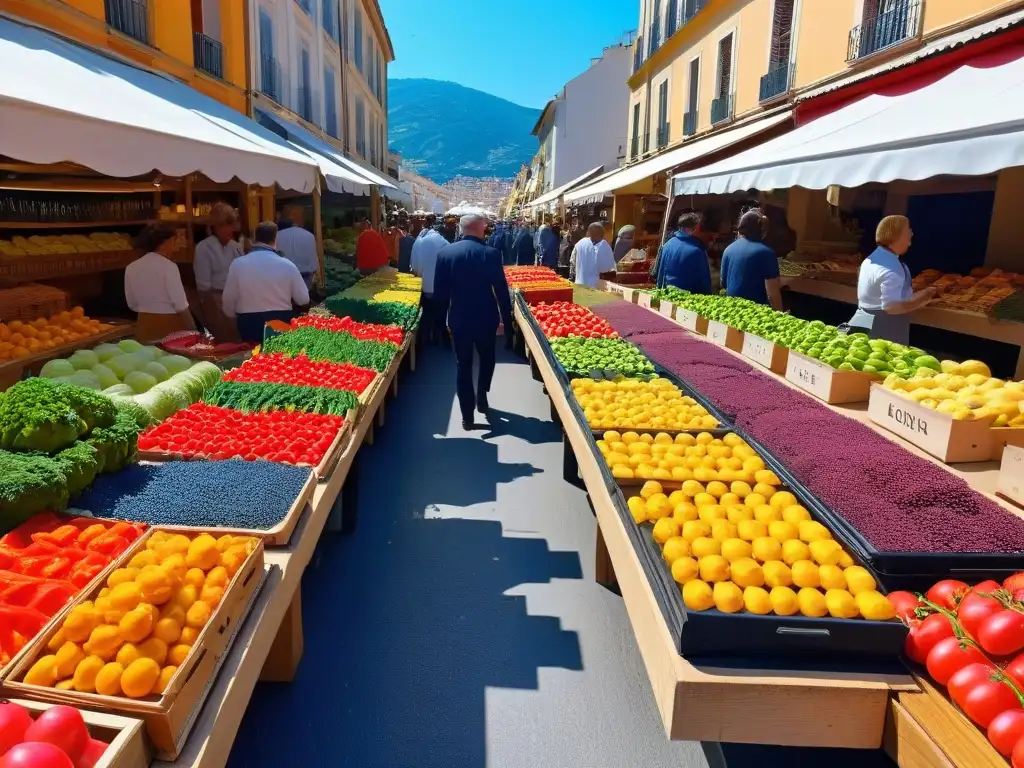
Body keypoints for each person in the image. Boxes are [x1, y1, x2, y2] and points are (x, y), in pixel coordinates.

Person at [433, 213, 513, 430]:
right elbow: (502, 293)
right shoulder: (492, 254)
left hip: (459, 319)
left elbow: (440, 295)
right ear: (480, 228)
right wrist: (509, 325)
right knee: (488, 360)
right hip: (486, 319)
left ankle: (467, 416)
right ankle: (482, 395)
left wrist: (439, 326)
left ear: (462, 229)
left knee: (463, 366)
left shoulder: (445, 254)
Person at [846, 215, 935, 344]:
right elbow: (892, 307)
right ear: (896, 235)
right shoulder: (891, 267)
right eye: (908, 230)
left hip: (863, 320)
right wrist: (924, 296)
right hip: (884, 329)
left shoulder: (870, 259)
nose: (911, 233)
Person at [222, 221, 310, 343]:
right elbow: (303, 299)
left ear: (254, 239)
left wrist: (233, 316)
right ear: (275, 239)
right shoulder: (288, 265)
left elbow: (228, 302)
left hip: (248, 324)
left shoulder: (237, 264)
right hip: (280, 321)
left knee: (252, 357)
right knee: (278, 357)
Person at [124, 223, 196, 343]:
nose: (174, 247)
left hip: (144, 327)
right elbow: (180, 305)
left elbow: (132, 304)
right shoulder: (169, 267)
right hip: (169, 329)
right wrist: (193, 330)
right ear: (165, 242)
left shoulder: (131, 267)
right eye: (173, 242)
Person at [193, 203, 243, 341]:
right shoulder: (203, 248)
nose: (229, 230)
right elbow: (203, 286)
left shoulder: (236, 246)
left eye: (230, 225)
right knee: (225, 342)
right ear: (214, 227)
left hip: (238, 300)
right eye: (224, 225)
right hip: (215, 301)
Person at [720, 209, 784, 310]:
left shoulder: (729, 249)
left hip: (731, 309)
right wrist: (780, 316)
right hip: (755, 311)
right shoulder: (766, 253)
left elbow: (723, 283)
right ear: (762, 229)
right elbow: (773, 294)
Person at [410, 224, 448, 347]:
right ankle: (439, 338)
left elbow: (416, 266)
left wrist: (419, 277)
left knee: (426, 313)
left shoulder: (420, 242)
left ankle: (425, 340)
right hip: (442, 286)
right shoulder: (445, 243)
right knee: (441, 313)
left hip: (425, 286)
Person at [656, 212, 712, 294]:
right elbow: (704, 280)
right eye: (700, 227)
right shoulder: (696, 251)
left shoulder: (667, 245)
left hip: (667, 294)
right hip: (687, 297)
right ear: (694, 228)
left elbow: (660, 274)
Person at [274, 204, 319, 290]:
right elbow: (314, 262)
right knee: (303, 300)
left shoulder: (277, 236)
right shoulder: (309, 236)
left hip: (284, 279)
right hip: (305, 279)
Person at [570, 222, 617, 287]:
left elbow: (572, 264)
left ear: (588, 232)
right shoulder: (604, 245)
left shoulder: (579, 244)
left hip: (579, 284)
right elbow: (606, 268)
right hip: (596, 287)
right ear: (603, 234)